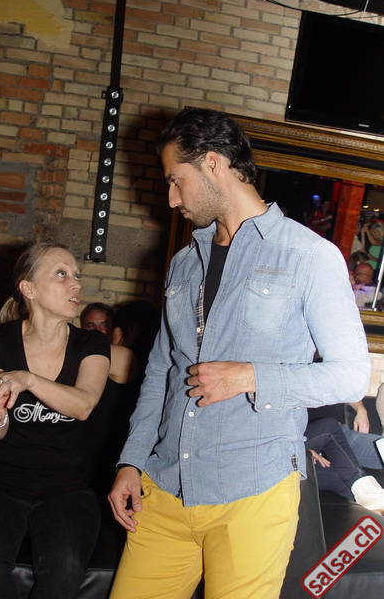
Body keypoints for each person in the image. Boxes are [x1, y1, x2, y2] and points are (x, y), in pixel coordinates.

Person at [107, 108, 370, 599]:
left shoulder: (309, 256)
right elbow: (162, 372)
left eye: (176, 181)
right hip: (164, 488)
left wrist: (250, 376)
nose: (172, 199)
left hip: (253, 492)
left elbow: (351, 375)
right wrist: (131, 461)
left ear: (212, 163)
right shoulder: (184, 263)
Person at [0, 242, 110, 599]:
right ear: (29, 288)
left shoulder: (91, 345)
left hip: (66, 488)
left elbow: (83, 404)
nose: (76, 284)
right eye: (61, 274)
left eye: (76, 275)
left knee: (65, 568)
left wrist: (28, 379)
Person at [305, 416, 384, 512]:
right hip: (301, 447)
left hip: (340, 434)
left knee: (347, 478)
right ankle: (369, 498)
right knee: (329, 427)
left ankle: (370, 501)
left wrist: (361, 409)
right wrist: (302, 452)